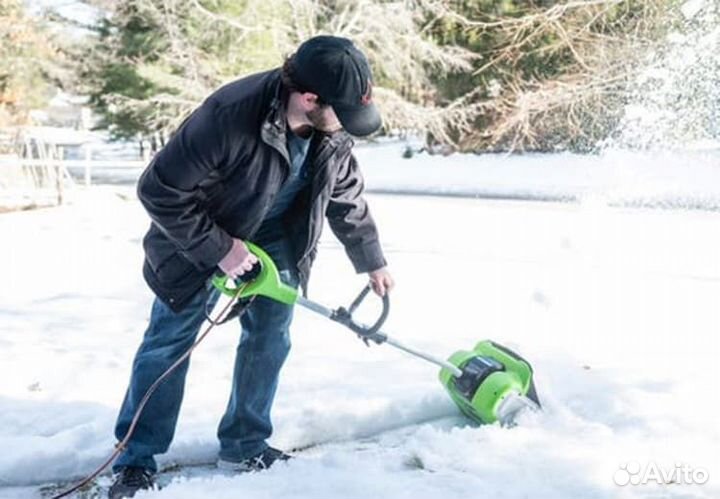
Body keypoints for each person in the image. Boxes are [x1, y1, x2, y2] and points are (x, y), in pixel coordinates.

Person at [108, 35, 394, 499]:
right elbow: (158, 191)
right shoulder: (227, 118)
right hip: (198, 237)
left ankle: (245, 442)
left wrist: (371, 259)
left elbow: (344, 192)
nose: (346, 123)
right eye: (341, 111)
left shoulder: (331, 126)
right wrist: (220, 248)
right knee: (169, 343)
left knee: (271, 334)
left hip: (279, 236)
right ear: (308, 98)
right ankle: (135, 459)